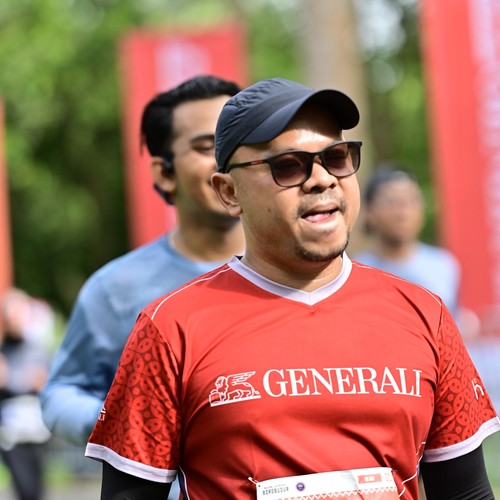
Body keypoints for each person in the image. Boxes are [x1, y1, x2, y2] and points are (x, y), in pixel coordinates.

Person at [85, 78, 500, 499]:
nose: (322, 179)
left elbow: (466, 493)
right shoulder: (169, 328)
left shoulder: (425, 314)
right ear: (229, 192)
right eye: (287, 165)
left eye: (336, 158)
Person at [40, 75, 245, 498]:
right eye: (206, 147)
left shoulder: (306, 276)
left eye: (239, 142)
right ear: (164, 172)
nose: (225, 160)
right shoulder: (116, 288)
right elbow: (61, 394)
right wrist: (129, 421)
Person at [354, 165, 461, 318]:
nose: (403, 211)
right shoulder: (356, 272)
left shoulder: (444, 265)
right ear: (369, 211)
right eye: (391, 202)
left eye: (412, 200)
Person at [0, 288, 53, 500]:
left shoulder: (37, 349)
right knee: (23, 487)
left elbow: (42, 380)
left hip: (36, 428)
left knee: (36, 488)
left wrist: (14, 379)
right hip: (10, 431)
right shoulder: (3, 351)